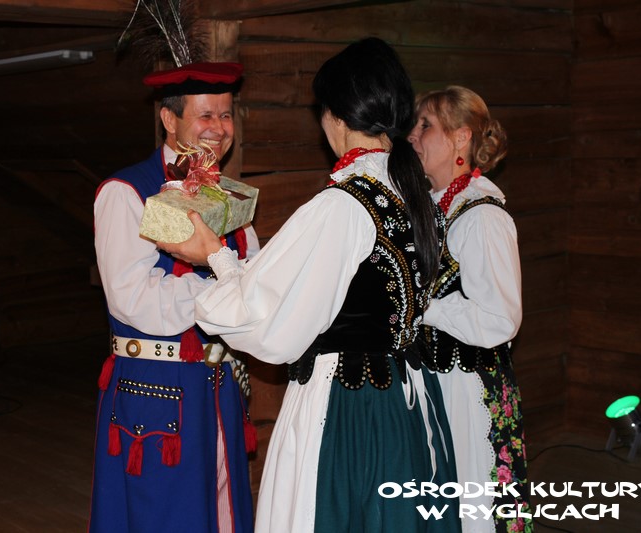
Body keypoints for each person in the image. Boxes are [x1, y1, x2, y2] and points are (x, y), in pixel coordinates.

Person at [160, 38, 460, 533]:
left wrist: (213, 254)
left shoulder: (342, 206)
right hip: (406, 402)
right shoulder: (415, 195)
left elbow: (270, 322)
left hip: (350, 409)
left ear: (336, 116)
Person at [89, 61, 259, 533]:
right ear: (169, 118)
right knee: (165, 517)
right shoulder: (126, 192)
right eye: (205, 115)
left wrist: (241, 280)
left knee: (222, 513)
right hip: (156, 391)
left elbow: (254, 276)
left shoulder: (232, 197)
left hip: (220, 387)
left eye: (225, 115)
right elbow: (132, 298)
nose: (218, 129)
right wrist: (224, 284)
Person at [407, 86, 531, 533]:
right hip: (439, 385)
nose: (413, 136)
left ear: (461, 138)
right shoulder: (437, 206)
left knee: (474, 507)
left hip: (469, 390)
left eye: (425, 126)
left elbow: (500, 319)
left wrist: (425, 307)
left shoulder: (482, 216)